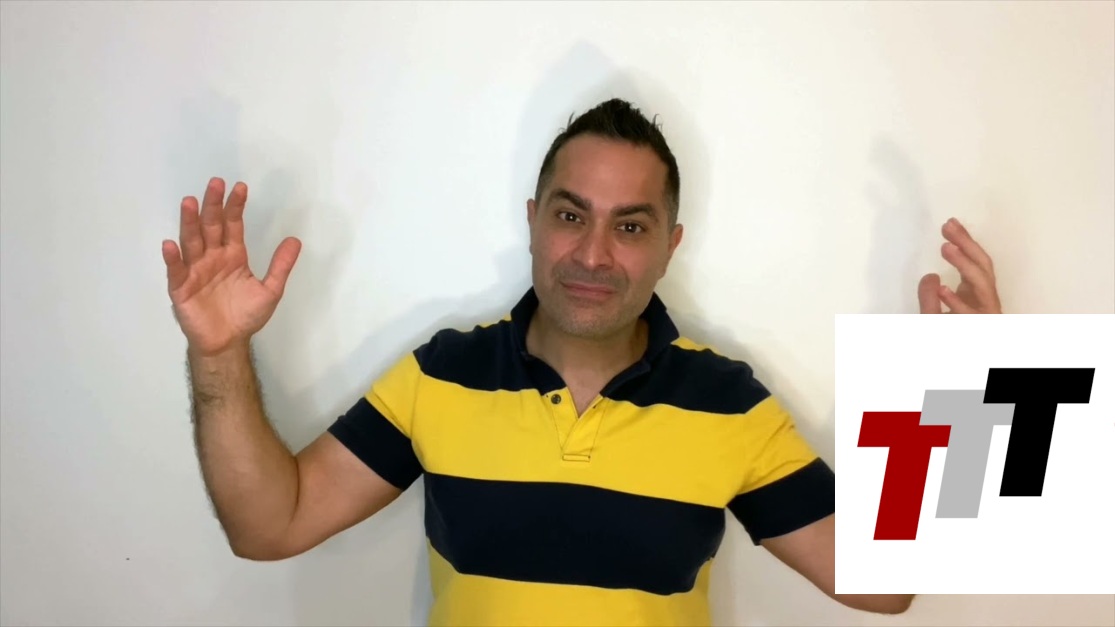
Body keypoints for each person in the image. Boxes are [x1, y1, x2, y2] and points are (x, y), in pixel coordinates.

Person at [161, 99, 1003, 626]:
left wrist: (981, 387)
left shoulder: (727, 401)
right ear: (533, 220)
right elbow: (268, 527)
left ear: (669, 245)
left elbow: (884, 585)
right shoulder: (441, 374)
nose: (593, 254)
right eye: (571, 215)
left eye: (630, 225)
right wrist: (219, 351)